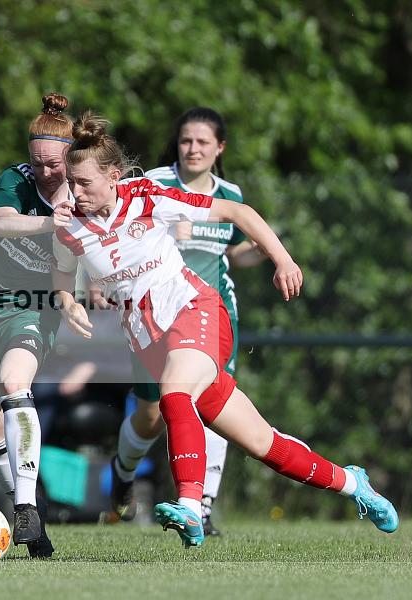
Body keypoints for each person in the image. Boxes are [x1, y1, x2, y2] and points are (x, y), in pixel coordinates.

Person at [51, 112, 399, 548]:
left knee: (174, 394)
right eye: (70, 182)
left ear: (114, 176)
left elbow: (237, 211)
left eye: (83, 183)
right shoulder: (69, 227)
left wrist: (283, 259)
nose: (75, 192)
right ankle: (353, 483)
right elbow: (63, 276)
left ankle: (192, 508)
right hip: (149, 339)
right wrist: (68, 303)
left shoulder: (146, 196)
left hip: (196, 309)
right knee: (263, 444)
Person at [111, 107, 265, 535]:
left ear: (220, 148)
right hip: (155, 312)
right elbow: (109, 227)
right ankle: (123, 473)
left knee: (209, 402)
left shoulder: (229, 194)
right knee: (151, 414)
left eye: (202, 142)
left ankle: (202, 504)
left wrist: (270, 251)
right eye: (185, 140)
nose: (193, 149)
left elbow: (233, 252)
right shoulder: (155, 184)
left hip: (211, 311)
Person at [0, 93, 74, 558]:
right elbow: (2, 223)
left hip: (34, 308)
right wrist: (50, 225)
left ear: (70, 156)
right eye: (37, 162)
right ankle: (35, 522)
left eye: (54, 165)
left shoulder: (83, 194)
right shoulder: (14, 181)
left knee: (13, 381)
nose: (45, 172)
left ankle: (24, 507)